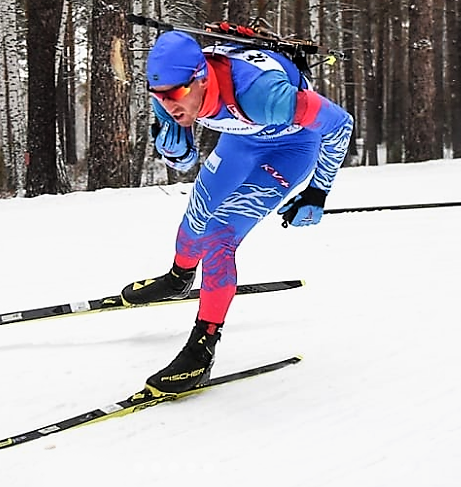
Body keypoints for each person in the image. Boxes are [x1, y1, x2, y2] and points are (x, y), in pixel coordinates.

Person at [122, 29, 353, 396]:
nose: (168, 104)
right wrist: (176, 147)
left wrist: (316, 192)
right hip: (241, 140)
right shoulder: (169, 89)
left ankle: (201, 350)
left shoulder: (262, 94)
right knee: (197, 212)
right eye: (158, 97)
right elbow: (178, 142)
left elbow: (341, 124)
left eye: (177, 95)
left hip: (288, 149)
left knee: (217, 237)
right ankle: (179, 277)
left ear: (199, 77)